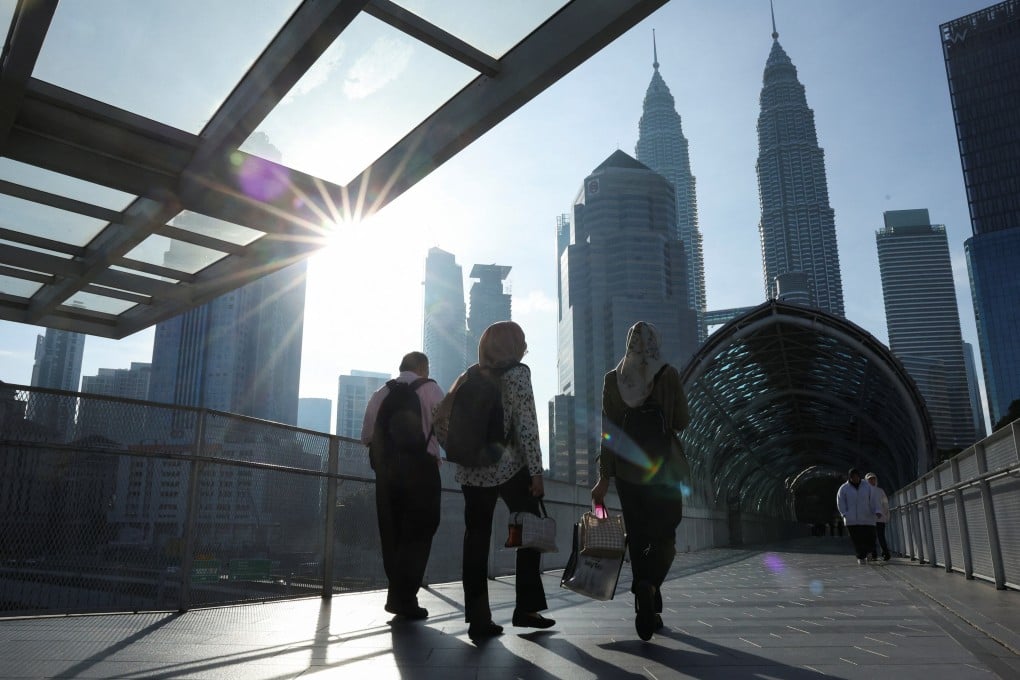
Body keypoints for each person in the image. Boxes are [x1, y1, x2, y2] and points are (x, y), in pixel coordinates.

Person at [444, 321, 554, 641]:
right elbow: (527, 425)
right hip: (509, 468)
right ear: (514, 345)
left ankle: (479, 620)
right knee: (530, 530)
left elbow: (445, 417)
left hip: (471, 471)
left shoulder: (470, 374)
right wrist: (536, 472)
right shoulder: (518, 373)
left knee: (475, 541)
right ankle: (527, 608)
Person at [592, 321, 690, 641]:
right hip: (663, 469)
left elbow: (608, 433)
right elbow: (681, 421)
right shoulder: (668, 374)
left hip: (627, 471)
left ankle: (644, 597)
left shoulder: (613, 378)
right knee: (665, 534)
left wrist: (603, 478)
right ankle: (649, 586)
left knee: (637, 535)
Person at [361, 351, 444, 620]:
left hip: (387, 474)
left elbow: (366, 437)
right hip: (422, 470)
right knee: (421, 529)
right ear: (423, 367)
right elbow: (444, 429)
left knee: (392, 532)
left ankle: (398, 595)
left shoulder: (380, 394)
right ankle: (404, 597)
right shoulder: (430, 388)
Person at [835, 468, 881, 565]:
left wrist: (877, 510)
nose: (855, 478)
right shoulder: (844, 488)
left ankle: (868, 552)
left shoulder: (867, 486)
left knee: (871, 538)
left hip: (867, 518)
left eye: (856, 476)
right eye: (853, 477)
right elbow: (840, 502)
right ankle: (861, 557)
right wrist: (844, 514)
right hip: (852, 520)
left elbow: (874, 499)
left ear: (859, 476)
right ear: (850, 477)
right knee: (857, 540)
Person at [865, 472, 891, 561]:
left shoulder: (880, 491)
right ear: (866, 481)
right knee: (872, 537)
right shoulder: (864, 492)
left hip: (880, 518)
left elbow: (885, 504)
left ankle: (885, 553)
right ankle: (874, 553)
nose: (872, 480)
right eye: (870, 479)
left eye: (873, 479)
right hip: (869, 518)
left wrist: (886, 513)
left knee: (880, 536)